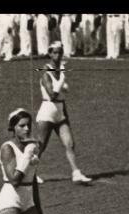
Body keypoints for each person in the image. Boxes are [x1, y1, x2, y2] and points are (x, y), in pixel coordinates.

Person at [35, 42, 91, 184]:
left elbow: (60, 98)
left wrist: (65, 115)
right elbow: (52, 95)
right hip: (47, 112)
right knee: (41, 145)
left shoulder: (60, 70)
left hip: (60, 111)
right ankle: (29, 173)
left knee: (69, 143)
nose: (58, 55)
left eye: (60, 52)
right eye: (55, 52)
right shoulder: (46, 72)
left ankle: (76, 173)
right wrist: (61, 81)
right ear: (49, 54)